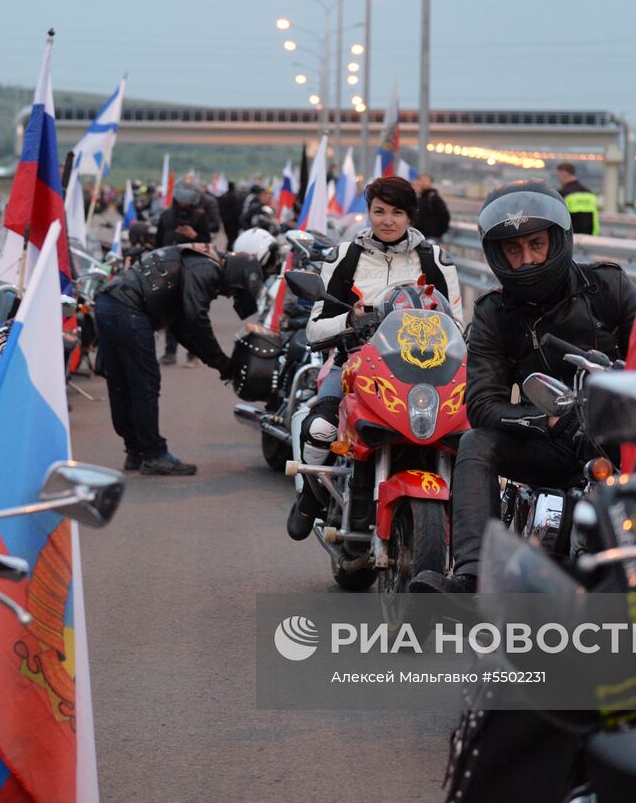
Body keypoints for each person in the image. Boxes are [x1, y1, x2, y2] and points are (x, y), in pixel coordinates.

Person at [409, 180, 636, 595]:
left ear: (559, 239)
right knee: (476, 442)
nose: (527, 259)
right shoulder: (493, 313)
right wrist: (545, 421)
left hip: (616, 438)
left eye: (536, 244)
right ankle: (472, 575)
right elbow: (482, 402)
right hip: (549, 442)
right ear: (497, 255)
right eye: (513, 250)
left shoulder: (609, 287)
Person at [287, 176, 463, 540]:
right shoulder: (345, 257)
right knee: (321, 429)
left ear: (410, 216)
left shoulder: (435, 260)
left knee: (467, 434)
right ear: (367, 212)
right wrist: (350, 318)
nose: (387, 220)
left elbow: (456, 327)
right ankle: (311, 497)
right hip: (353, 364)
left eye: (397, 212)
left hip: (423, 372)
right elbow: (315, 329)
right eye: (379, 211)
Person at [94, 245, 264, 475]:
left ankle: (135, 451)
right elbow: (195, 318)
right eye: (234, 292)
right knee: (144, 385)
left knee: (121, 384)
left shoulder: (199, 261)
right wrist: (222, 362)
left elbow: (183, 328)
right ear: (237, 276)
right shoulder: (208, 269)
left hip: (108, 302)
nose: (227, 295)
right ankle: (154, 455)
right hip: (128, 309)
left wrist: (219, 364)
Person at [155, 182, 218, 365]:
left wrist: (194, 237)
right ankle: (170, 351)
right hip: (170, 268)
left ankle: (193, 354)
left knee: (192, 314)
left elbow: (208, 245)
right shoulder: (166, 216)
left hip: (192, 270)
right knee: (170, 314)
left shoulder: (200, 216)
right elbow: (158, 243)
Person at [557, 161, 599, 236]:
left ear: (564, 174)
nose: (558, 179)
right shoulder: (589, 194)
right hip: (589, 238)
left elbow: (559, 220)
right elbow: (595, 219)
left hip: (570, 239)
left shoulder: (562, 194)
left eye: (558, 175)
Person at [412, 174, 451, 241]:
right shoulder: (420, 198)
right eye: (421, 180)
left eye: (425, 180)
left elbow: (444, 217)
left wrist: (438, 234)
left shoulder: (433, 198)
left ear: (431, 183)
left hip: (430, 238)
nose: (422, 183)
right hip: (419, 236)